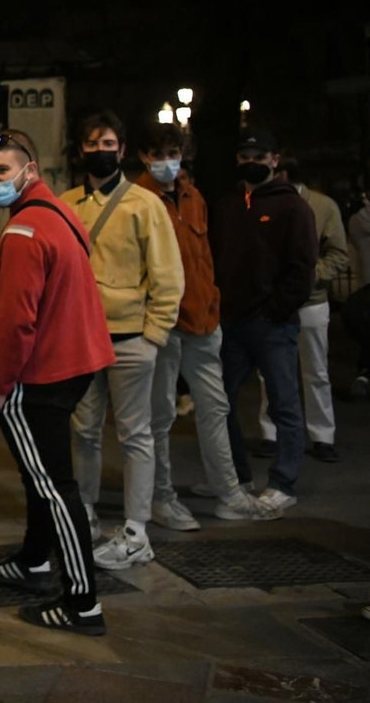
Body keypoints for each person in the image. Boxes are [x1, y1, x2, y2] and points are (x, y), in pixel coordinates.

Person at [0, 129, 115, 636]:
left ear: (29, 170)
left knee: (55, 487)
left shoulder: (22, 233)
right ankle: (35, 559)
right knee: (41, 472)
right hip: (77, 364)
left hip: (41, 375)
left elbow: (16, 321)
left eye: (1, 170)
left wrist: (1, 381)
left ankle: (83, 605)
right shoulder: (59, 213)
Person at [60, 112, 184, 570]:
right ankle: (85, 514)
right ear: (80, 151)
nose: (100, 150)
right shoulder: (66, 204)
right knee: (84, 430)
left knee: (136, 434)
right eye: (92, 143)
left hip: (131, 339)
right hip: (81, 340)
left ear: (124, 149)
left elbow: (169, 277)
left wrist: (153, 336)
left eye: (108, 142)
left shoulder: (145, 205)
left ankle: (136, 531)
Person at [135, 124, 276, 525]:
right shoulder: (138, 200)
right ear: (144, 155)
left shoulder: (193, 198)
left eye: (173, 152)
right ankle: (161, 497)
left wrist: (212, 301)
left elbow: (203, 257)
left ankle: (229, 492)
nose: (168, 161)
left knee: (215, 407)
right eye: (160, 153)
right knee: (160, 415)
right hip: (162, 324)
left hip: (201, 320)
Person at [211, 129, 318, 515]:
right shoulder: (228, 206)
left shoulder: (293, 208)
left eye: (259, 156)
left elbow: (302, 268)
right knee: (219, 401)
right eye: (244, 156)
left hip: (272, 324)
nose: (251, 162)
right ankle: (236, 477)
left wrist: (275, 310)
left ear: (275, 160)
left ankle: (283, 483)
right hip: (233, 322)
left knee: (284, 404)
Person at [254, 157, 350, 462]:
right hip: (275, 299)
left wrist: (310, 275)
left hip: (310, 300)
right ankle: (270, 432)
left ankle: (322, 434)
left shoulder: (322, 206)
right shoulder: (260, 202)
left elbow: (338, 252)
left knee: (315, 370)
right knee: (270, 371)